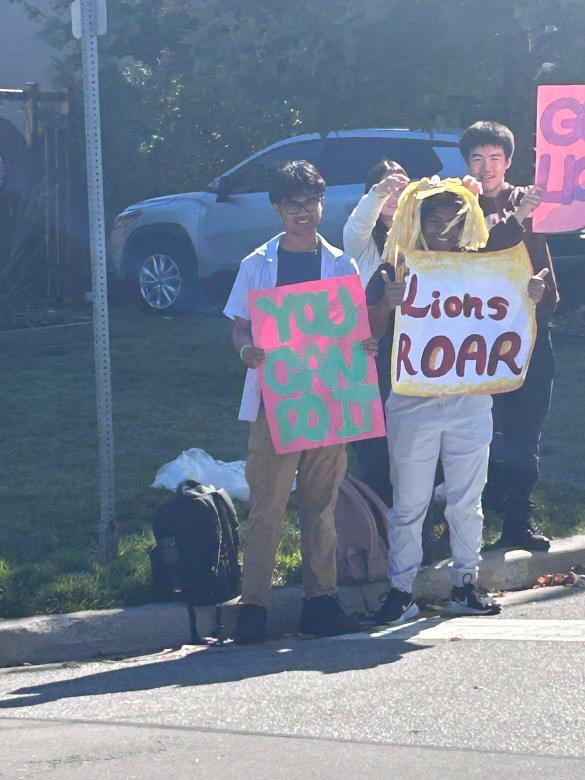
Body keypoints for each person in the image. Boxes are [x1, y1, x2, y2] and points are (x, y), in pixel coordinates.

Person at [367, 177, 548, 624]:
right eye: (435, 221)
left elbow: (510, 306)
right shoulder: (396, 266)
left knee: (468, 499)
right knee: (409, 502)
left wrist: (529, 297)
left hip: (470, 399)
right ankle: (400, 590)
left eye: (454, 221)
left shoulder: (481, 267)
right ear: (418, 222)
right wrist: (387, 306)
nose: (445, 230)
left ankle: (466, 582)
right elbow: (366, 336)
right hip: (413, 400)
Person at [223, 160, 377, 644]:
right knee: (266, 507)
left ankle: (321, 602)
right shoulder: (256, 265)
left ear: (321, 203)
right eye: (293, 205)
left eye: (311, 202)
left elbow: (350, 328)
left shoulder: (341, 264)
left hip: (328, 406)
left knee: (321, 507)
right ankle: (254, 608)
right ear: (277, 209)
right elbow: (240, 324)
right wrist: (246, 350)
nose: (303, 213)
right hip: (277, 404)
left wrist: (364, 347)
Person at [460, 121, 559, 552]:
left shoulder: (529, 200)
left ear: (509, 161)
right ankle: (474, 522)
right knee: (483, 429)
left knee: (527, 427)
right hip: (478, 338)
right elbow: (484, 247)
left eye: (495, 159)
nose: (486, 168)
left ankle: (518, 517)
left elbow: (543, 266)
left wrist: (543, 292)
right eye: (478, 159)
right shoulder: (459, 205)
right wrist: (517, 218)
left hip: (531, 334)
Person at [342, 160, 409, 506]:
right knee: (376, 444)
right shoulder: (364, 247)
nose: (395, 195)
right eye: (386, 188)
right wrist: (378, 194)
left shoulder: (426, 235)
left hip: (417, 357)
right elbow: (357, 225)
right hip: (373, 354)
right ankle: (378, 521)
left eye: (401, 187)